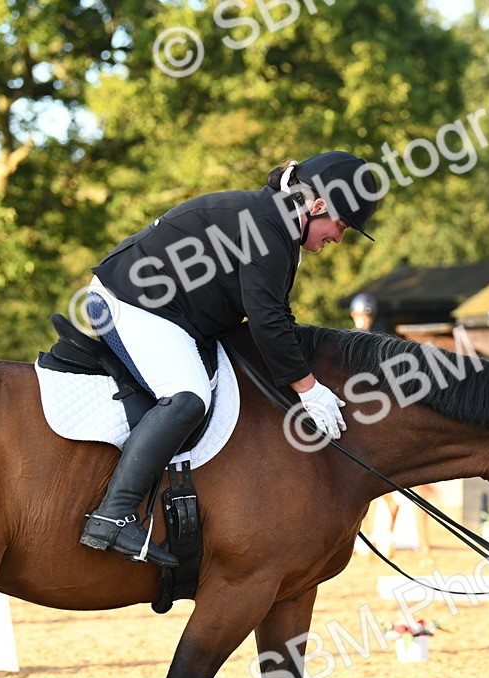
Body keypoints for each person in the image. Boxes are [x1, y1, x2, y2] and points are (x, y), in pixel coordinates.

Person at [78, 151, 380, 566]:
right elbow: (266, 320)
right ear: (318, 206)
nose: (337, 239)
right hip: (128, 303)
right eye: (340, 226)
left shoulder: (276, 226)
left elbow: (276, 315)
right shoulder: (266, 225)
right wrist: (309, 389)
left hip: (169, 314)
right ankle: (112, 514)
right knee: (188, 396)